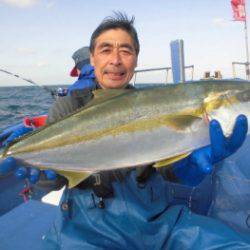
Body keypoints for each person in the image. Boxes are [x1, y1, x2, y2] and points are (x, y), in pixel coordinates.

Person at [1, 12, 249, 249]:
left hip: (157, 223)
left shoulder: (150, 99)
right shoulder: (70, 105)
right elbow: (51, 176)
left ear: (136, 59)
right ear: (93, 57)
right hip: (86, 229)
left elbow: (168, 166)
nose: (116, 60)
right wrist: (44, 173)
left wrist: (189, 165)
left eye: (126, 51)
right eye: (106, 50)